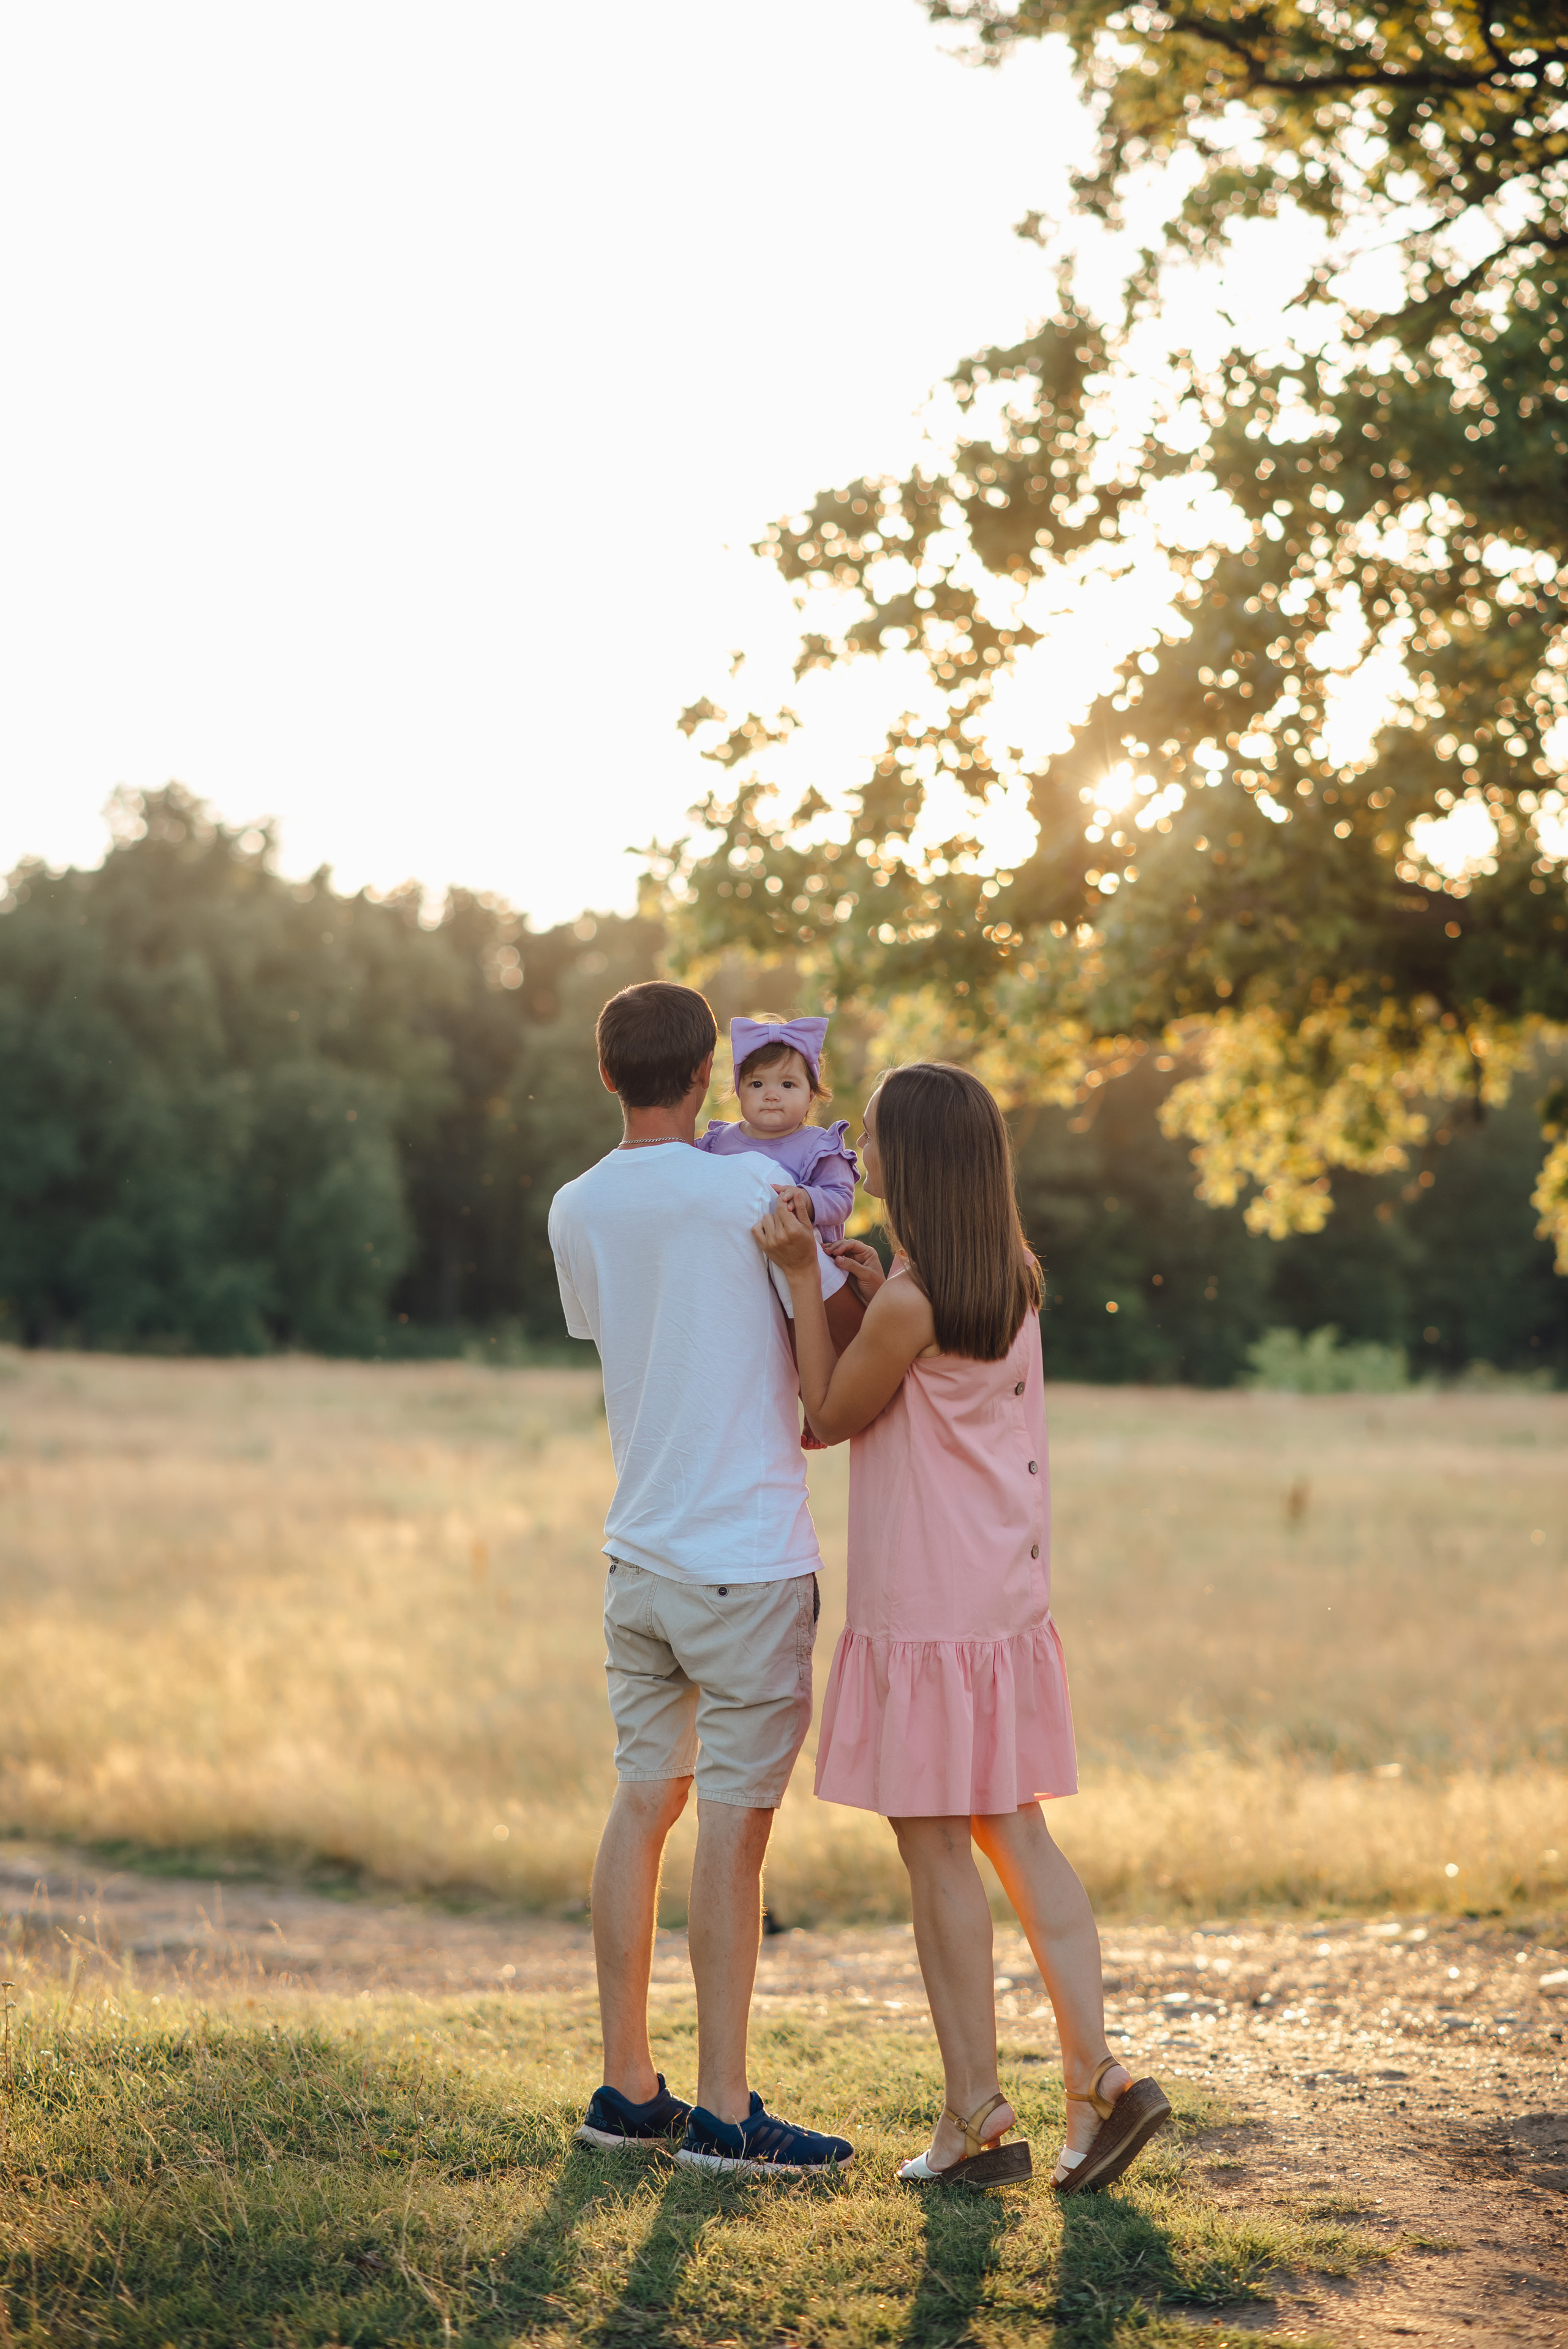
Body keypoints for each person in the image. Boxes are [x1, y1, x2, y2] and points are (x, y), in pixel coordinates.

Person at [754, 1061, 1171, 2193]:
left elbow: (828, 1415)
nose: (860, 1150)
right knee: (1018, 1830)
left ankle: (978, 2115)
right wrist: (867, 1280)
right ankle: (1101, 2077)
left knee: (935, 1841)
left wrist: (803, 1278)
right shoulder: (1009, 1277)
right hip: (1000, 1599)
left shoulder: (911, 1299)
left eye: (876, 1137)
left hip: (926, 1607)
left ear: (918, 1160)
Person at [548, 979, 862, 2176]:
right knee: (731, 1837)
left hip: (639, 1555)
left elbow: (624, 1336)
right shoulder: (759, 1191)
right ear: (705, 1078)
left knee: (642, 1805)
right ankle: (726, 2114)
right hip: (745, 1562)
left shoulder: (573, 1207)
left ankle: (628, 2090)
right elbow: (824, 1364)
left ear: (610, 1073)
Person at [695, 1015, 859, 1246]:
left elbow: (841, 1200)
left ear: (811, 1095)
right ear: (739, 1091)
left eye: (788, 1085)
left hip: (800, 1264)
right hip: (732, 1256)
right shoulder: (718, 1142)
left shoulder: (819, 1146)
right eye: (757, 1084)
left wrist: (807, 1199)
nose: (771, 1095)